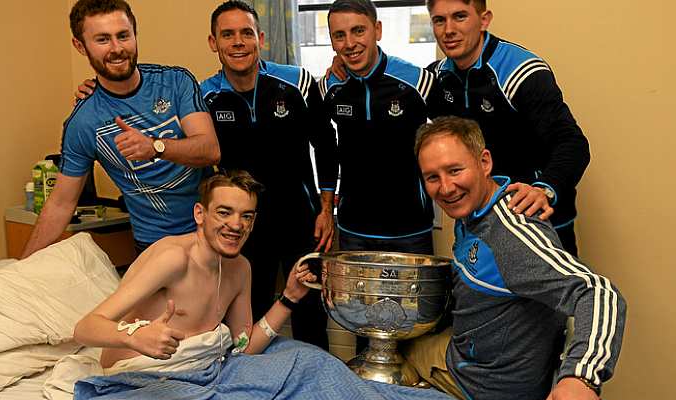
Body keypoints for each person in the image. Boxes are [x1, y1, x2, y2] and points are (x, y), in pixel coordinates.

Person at [406, 116, 626, 400]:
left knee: (397, 354)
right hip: (481, 353)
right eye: (432, 177)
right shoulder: (474, 211)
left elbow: (599, 293)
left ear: (484, 162)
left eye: (455, 170)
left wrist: (580, 378)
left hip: (489, 384)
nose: (446, 188)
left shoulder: (511, 235)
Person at [21, 0, 220, 259]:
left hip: (211, 234)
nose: (117, 49)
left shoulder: (175, 81)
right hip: (155, 247)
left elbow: (210, 150)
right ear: (80, 46)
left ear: (135, 36)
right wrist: (18, 268)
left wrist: (155, 147)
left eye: (123, 36)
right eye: (103, 39)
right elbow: (60, 204)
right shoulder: (83, 122)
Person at [73, 170, 316, 370]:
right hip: (138, 375)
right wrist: (134, 336)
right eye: (224, 212)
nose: (236, 225)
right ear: (200, 214)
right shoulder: (173, 259)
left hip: (196, 373)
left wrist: (290, 297)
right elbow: (85, 329)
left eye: (246, 216)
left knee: (309, 363)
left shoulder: (240, 268)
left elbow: (244, 348)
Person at [200, 1, 338, 350]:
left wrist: (326, 210)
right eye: (227, 34)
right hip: (241, 225)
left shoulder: (298, 82)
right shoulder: (204, 96)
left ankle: (317, 383)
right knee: (251, 314)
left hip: (300, 217)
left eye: (246, 33)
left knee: (309, 313)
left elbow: (326, 144)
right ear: (213, 43)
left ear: (260, 38)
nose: (238, 42)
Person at [425, 0, 589, 255]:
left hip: (537, 223)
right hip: (480, 225)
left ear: (484, 19)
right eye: (439, 20)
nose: (448, 30)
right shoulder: (438, 77)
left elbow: (572, 143)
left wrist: (543, 189)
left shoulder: (520, 71)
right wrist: (341, 70)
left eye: (459, 17)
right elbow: (391, 83)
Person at [320, 0, 436, 255]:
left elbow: (457, 136)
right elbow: (326, 150)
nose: (349, 44)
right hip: (353, 230)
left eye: (358, 31)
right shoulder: (329, 87)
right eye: (340, 35)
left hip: (411, 230)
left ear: (377, 30)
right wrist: (326, 208)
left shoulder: (418, 81)